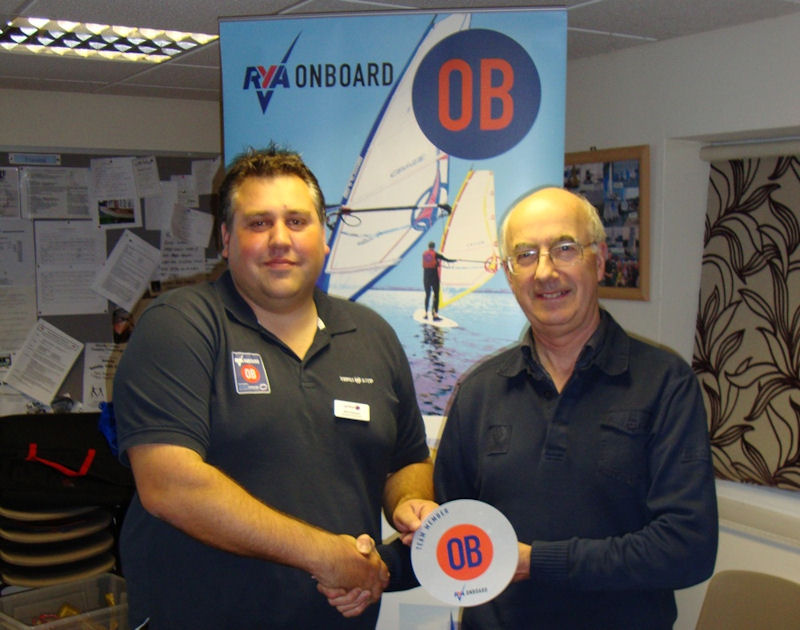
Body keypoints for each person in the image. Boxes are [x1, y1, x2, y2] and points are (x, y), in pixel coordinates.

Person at [113, 145, 436, 629]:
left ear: (324, 237)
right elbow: (169, 485)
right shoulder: (180, 325)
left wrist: (408, 504)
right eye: (258, 223)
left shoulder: (372, 335)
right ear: (226, 238)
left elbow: (407, 457)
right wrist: (323, 555)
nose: (280, 240)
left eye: (298, 221)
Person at [433, 187, 717, 629]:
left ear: (599, 260)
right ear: (509, 275)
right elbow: (450, 528)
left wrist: (537, 562)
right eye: (525, 255)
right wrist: (363, 565)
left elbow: (688, 548)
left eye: (564, 249)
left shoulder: (665, 384)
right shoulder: (480, 390)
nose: (545, 272)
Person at [422, 241, 454, 320]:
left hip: (426, 277)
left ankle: (426, 313)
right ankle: (435, 314)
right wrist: (455, 260)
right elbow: (446, 259)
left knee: (427, 295)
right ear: (434, 247)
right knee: (436, 295)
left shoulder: (424, 254)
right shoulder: (436, 254)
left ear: (428, 246)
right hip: (434, 277)